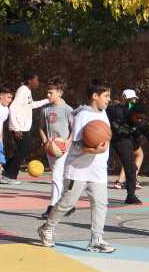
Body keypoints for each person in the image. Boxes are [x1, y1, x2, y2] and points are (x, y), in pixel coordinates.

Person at [38, 79, 116, 253]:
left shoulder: (103, 114)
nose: (109, 99)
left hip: (98, 170)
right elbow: (76, 144)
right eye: (106, 96)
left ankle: (96, 240)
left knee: (100, 204)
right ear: (95, 96)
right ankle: (47, 228)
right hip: (78, 169)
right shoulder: (83, 115)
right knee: (67, 203)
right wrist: (94, 149)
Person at [107, 100, 149, 205]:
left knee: (130, 166)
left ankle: (131, 195)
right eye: (137, 117)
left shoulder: (142, 123)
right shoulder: (117, 112)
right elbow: (102, 111)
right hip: (106, 135)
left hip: (123, 140)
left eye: (141, 118)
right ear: (131, 114)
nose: (139, 120)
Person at [2, 71, 49, 184]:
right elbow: (12, 108)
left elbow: (31, 105)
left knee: (23, 150)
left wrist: (47, 100)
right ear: (29, 80)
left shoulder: (27, 91)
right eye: (36, 80)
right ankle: (10, 176)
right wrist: (16, 128)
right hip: (19, 128)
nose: (38, 82)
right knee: (22, 150)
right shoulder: (22, 90)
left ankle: (6, 170)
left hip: (24, 127)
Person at [38, 77, 74, 219]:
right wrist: (45, 140)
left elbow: (74, 128)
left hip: (63, 148)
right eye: (47, 92)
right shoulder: (45, 110)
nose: (47, 95)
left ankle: (52, 207)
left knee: (56, 176)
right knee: (59, 176)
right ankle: (67, 206)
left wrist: (68, 142)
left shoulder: (67, 109)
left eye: (50, 92)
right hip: (51, 148)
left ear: (59, 93)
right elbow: (41, 128)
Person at [113, 89, 143, 190]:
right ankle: (130, 179)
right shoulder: (131, 108)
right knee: (138, 155)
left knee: (128, 158)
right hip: (128, 137)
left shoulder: (117, 108)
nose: (134, 100)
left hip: (119, 137)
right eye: (132, 98)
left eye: (134, 98)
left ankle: (120, 181)